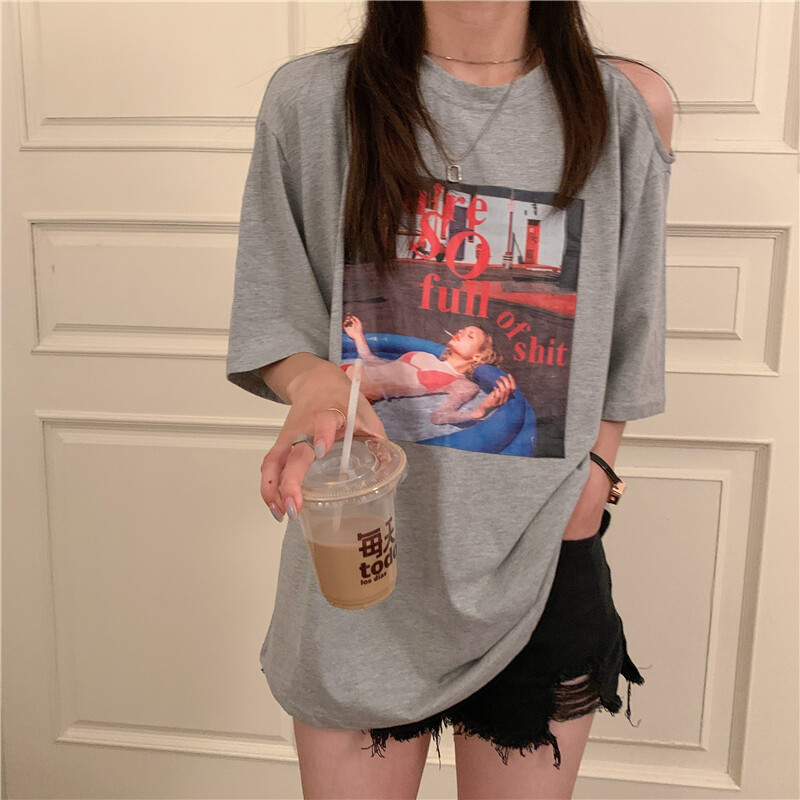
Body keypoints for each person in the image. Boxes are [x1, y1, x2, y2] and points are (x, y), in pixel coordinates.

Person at [225, 1, 676, 797]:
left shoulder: (626, 107)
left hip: (541, 560)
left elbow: (632, 320)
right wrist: (314, 381)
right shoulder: (313, 100)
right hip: (360, 555)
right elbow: (275, 310)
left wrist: (596, 479)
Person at [341, 314, 517, 425]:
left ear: (478, 356)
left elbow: (439, 416)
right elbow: (374, 363)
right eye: (463, 330)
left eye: (470, 336)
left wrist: (479, 411)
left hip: (352, 395)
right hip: (344, 372)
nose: (461, 332)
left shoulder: (463, 384)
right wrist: (357, 336)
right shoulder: (429, 357)